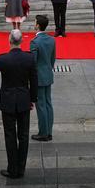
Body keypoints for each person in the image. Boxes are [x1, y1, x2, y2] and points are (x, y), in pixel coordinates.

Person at [0, 29, 38, 180]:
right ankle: (21, 168)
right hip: (24, 101)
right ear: (21, 41)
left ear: (9, 40)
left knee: (10, 135)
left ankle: (12, 169)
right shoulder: (29, 59)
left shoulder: (3, 59)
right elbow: (34, 81)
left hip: (8, 101)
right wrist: (33, 99)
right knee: (23, 136)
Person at [29, 15, 56, 143]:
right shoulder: (51, 40)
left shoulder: (35, 42)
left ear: (38, 25)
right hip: (48, 74)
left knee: (41, 105)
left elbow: (32, 63)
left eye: (35, 22)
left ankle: (43, 132)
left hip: (39, 77)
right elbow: (52, 59)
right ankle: (49, 131)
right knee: (48, 103)